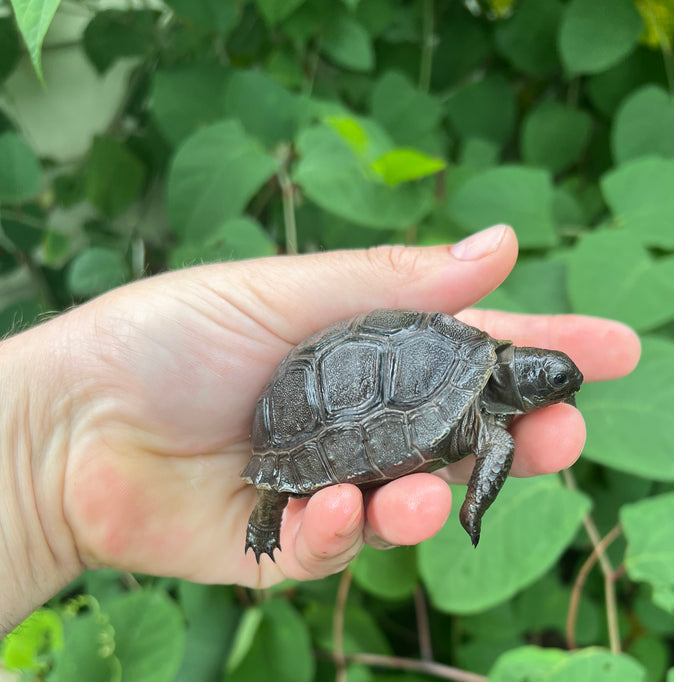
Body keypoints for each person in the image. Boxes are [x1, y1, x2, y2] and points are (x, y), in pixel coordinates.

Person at [0, 225, 639, 636]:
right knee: (306, 498)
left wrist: (42, 476)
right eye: (551, 382)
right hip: (310, 403)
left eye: (557, 382)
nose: (556, 388)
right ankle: (266, 507)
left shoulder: (475, 368)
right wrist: (474, 507)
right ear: (520, 378)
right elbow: (494, 443)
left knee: (361, 504)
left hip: (324, 397)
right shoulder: (484, 406)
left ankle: (271, 501)